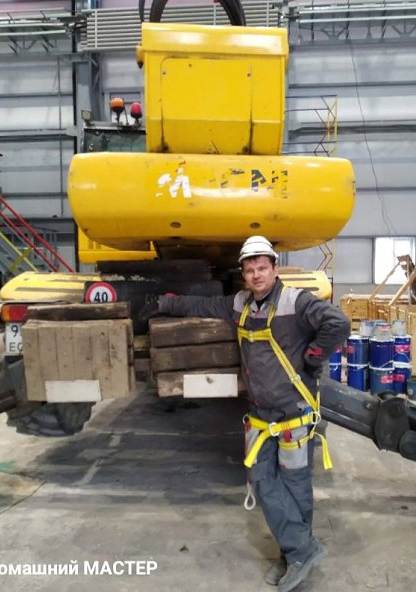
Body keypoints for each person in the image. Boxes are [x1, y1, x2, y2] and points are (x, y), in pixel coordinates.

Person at [148, 235, 350, 591]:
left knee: (295, 485)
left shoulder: (295, 301)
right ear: (243, 274)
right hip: (260, 415)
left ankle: (294, 554)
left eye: (262, 268)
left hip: (293, 413)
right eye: (250, 270)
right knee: (263, 481)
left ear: (274, 269)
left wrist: (314, 357)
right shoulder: (240, 303)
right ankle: (301, 549)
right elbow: (203, 305)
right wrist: (165, 302)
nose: (257, 275)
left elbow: (338, 323)